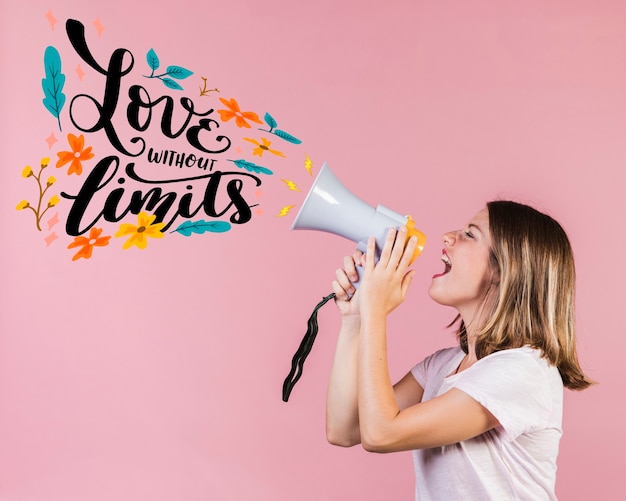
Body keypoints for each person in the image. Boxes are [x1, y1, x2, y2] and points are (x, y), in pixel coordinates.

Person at [326, 200, 593, 501]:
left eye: (469, 234)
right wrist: (355, 319)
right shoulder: (441, 366)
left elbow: (381, 434)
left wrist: (375, 310)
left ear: (503, 269)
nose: (447, 237)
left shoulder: (525, 371)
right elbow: (345, 430)